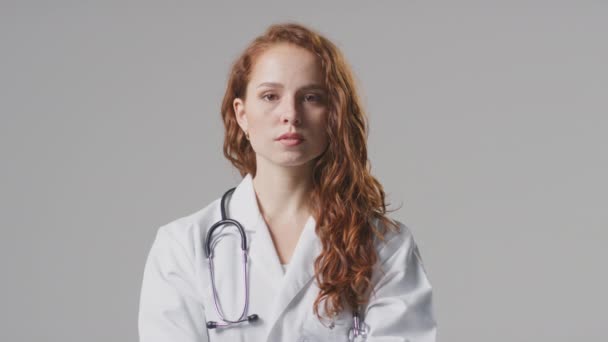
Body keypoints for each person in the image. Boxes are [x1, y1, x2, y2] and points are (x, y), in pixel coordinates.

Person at [138, 22, 437, 342]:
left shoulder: (384, 246)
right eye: (270, 96)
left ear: (333, 114)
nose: (290, 114)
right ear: (242, 115)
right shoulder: (182, 247)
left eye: (311, 97)